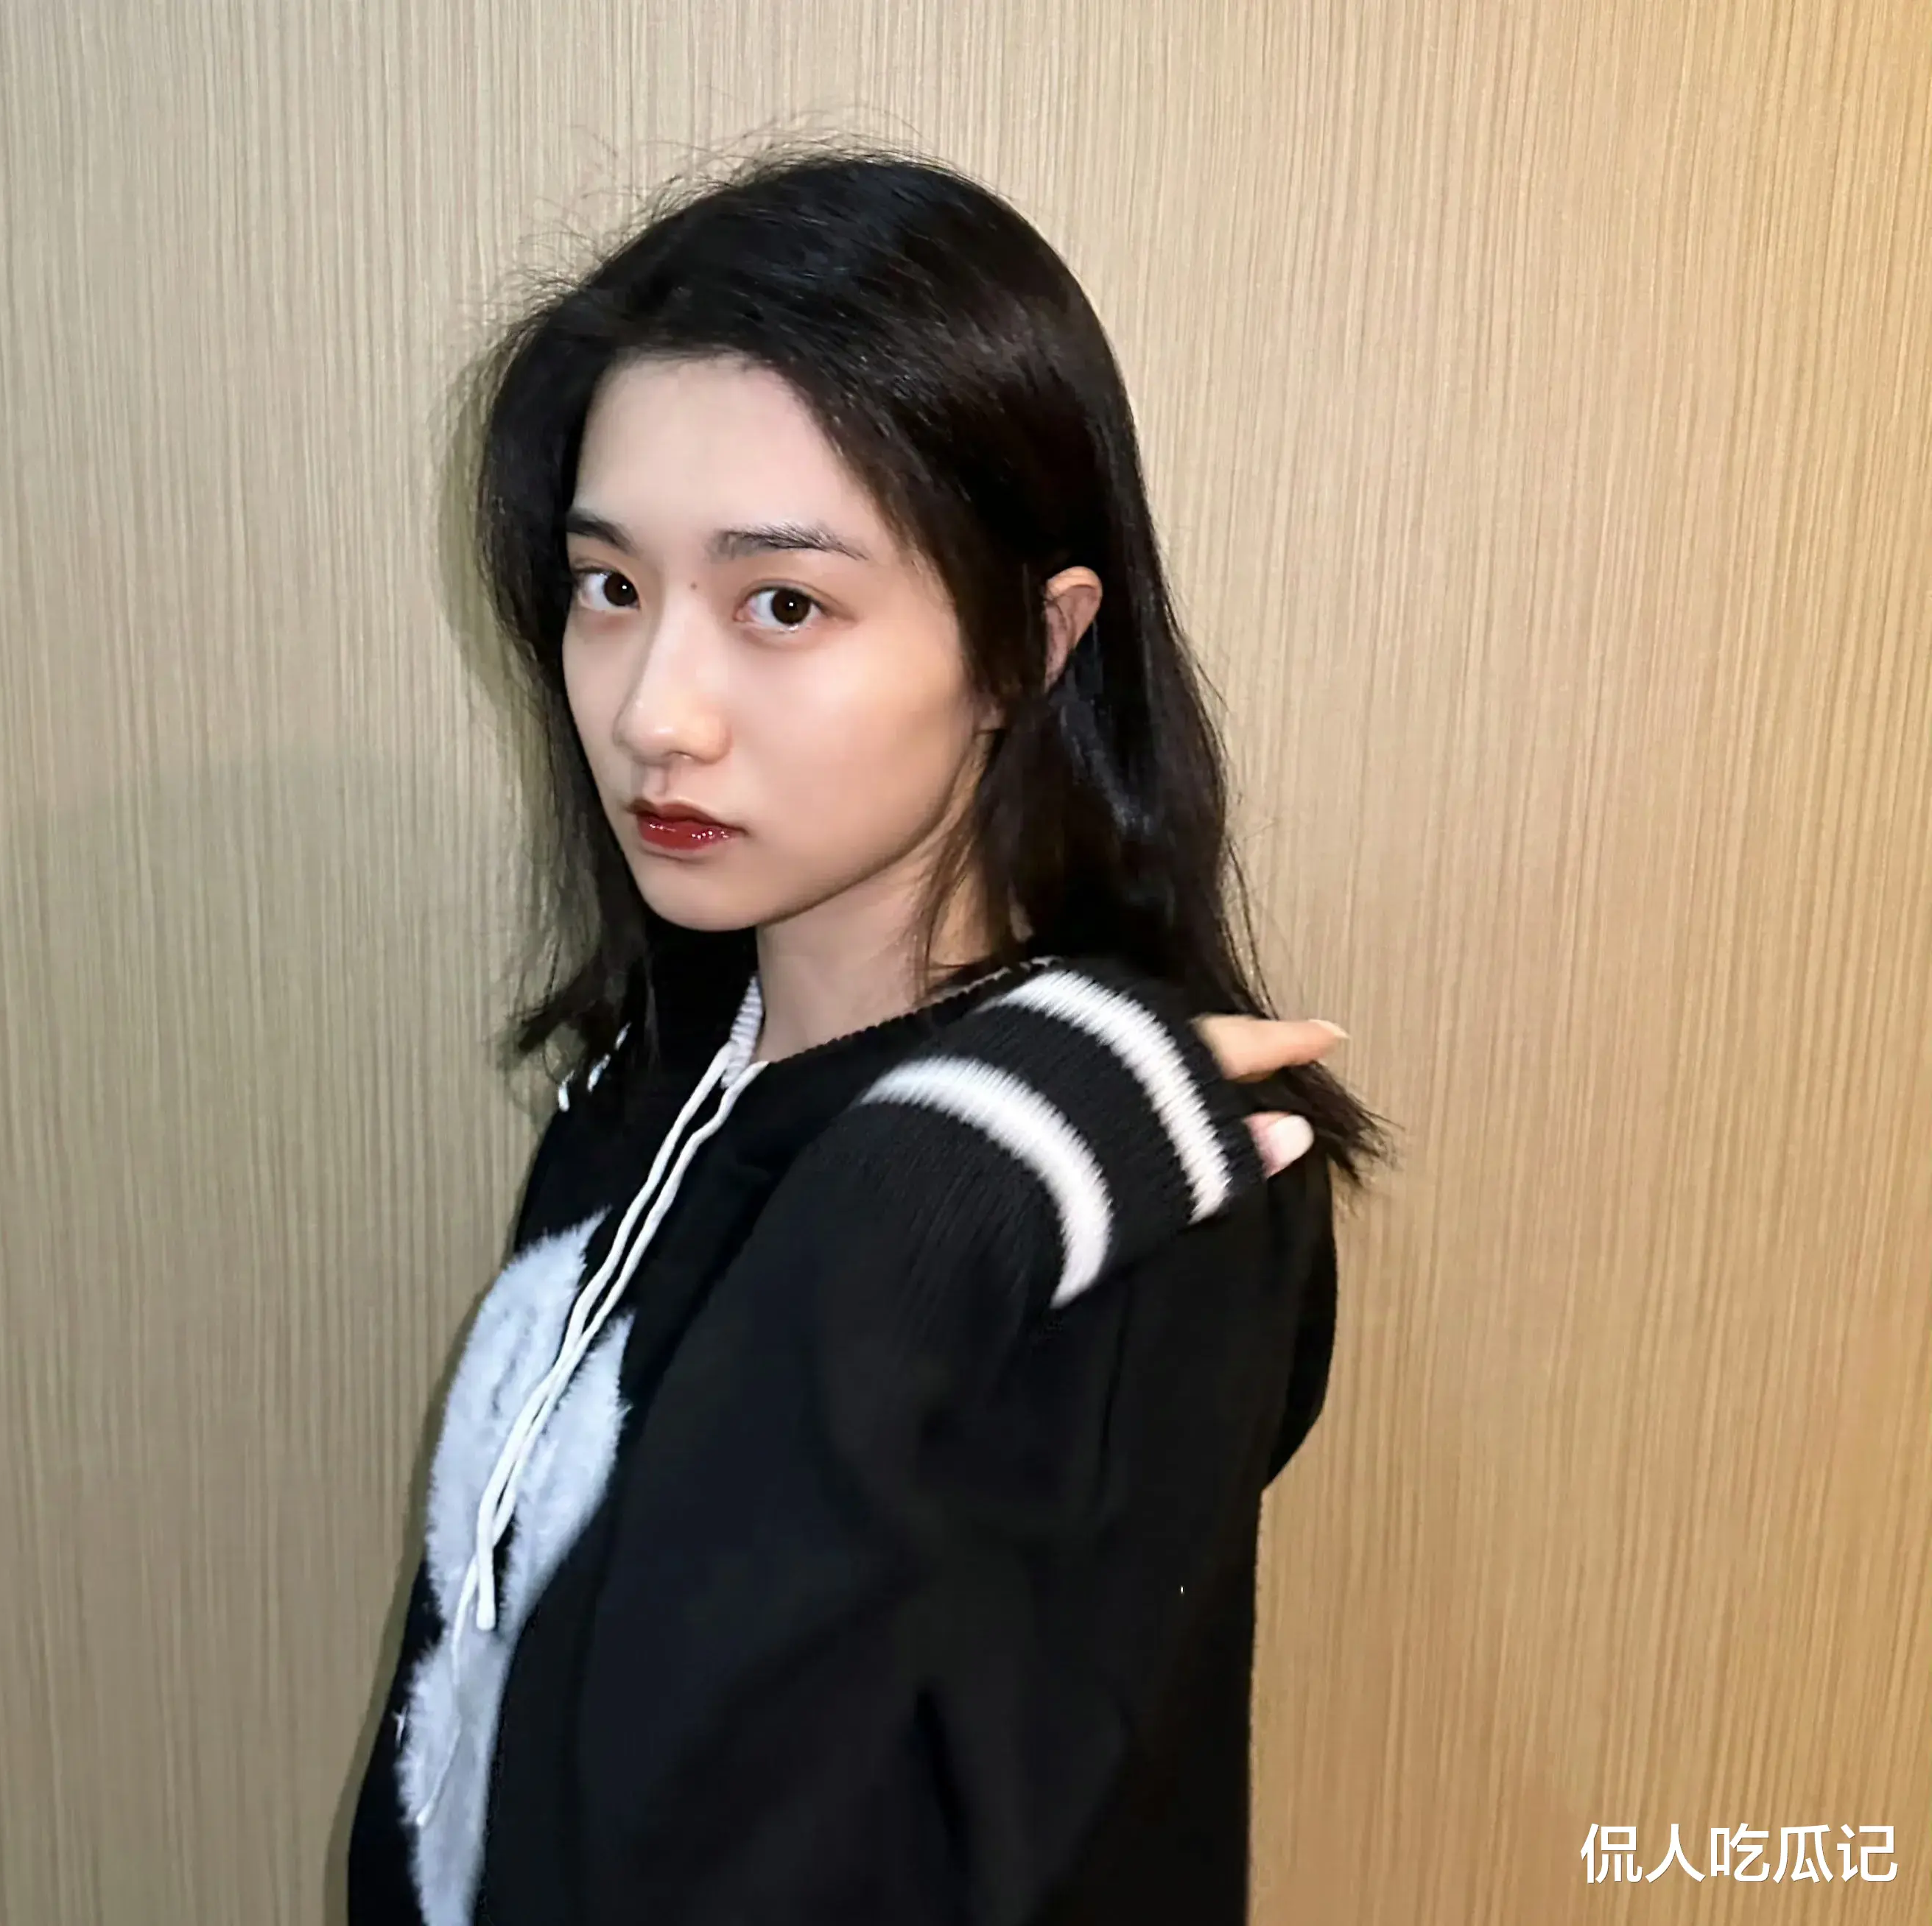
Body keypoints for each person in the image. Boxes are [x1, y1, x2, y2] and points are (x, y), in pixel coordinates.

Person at [345, 147, 1385, 1926]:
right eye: (609, 586)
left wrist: (896, 1227)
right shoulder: (657, 1078)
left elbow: (806, 1843)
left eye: (784, 603)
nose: (656, 712)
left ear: (1031, 644)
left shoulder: (1109, 1179)